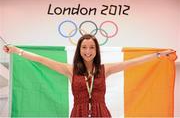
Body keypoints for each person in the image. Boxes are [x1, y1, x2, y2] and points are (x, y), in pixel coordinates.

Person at [3, 34, 174, 117]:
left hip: (102, 113)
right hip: (78, 113)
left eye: (91, 47)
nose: (88, 51)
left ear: (96, 50)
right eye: (84, 47)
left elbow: (133, 63)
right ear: (79, 50)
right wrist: (17, 51)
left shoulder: (104, 69)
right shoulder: (70, 70)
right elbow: (41, 59)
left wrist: (158, 55)